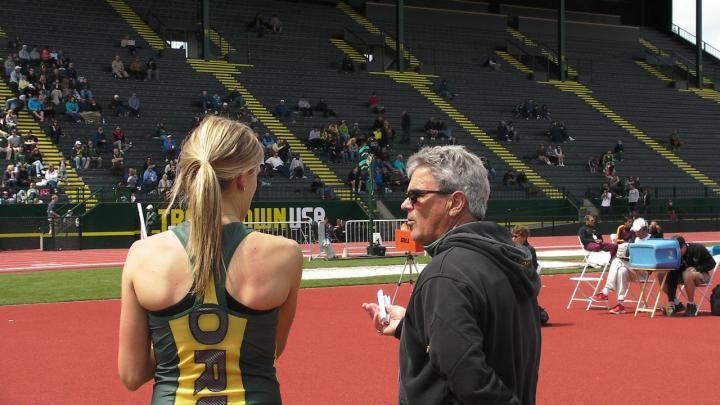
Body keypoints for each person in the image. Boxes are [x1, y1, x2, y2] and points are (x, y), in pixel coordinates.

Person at [118, 116, 303, 401]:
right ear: (243, 178)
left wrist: (178, 347)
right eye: (256, 173)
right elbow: (271, 350)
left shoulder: (143, 254)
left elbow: (132, 375)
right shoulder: (285, 254)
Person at [361, 145, 540, 404]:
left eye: (416, 195)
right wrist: (413, 325)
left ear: (455, 203)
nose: (405, 204)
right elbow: (485, 342)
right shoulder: (506, 259)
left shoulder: (445, 274)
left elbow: (471, 381)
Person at [591, 218, 652, 314]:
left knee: (617, 260)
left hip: (644, 272)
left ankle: (606, 291)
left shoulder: (652, 240)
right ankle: (620, 304)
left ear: (644, 229)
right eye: (635, 231)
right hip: (632, 270)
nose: (636, 233)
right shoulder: (634, 238)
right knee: (621, 270)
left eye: (638, 231)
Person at [660, 235, 717, 316]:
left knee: (687, 274)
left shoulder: (698, 248)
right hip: (682, 276)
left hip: (701, 275)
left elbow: (712, 263)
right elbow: (672, 275)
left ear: (684, 246)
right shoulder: (673, 255)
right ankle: (676, 304)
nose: (676, 252)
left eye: (678, 249)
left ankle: (691, 305)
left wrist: (698, 268)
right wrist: (671, 300)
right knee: (661, 274)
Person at [512, 225, 549, 326]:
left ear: (524, 237)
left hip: (526, 280)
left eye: (516, 236)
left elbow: (531, 268)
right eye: (512, 236)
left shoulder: (529, 249)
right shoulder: (513, 248)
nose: (513, 239)